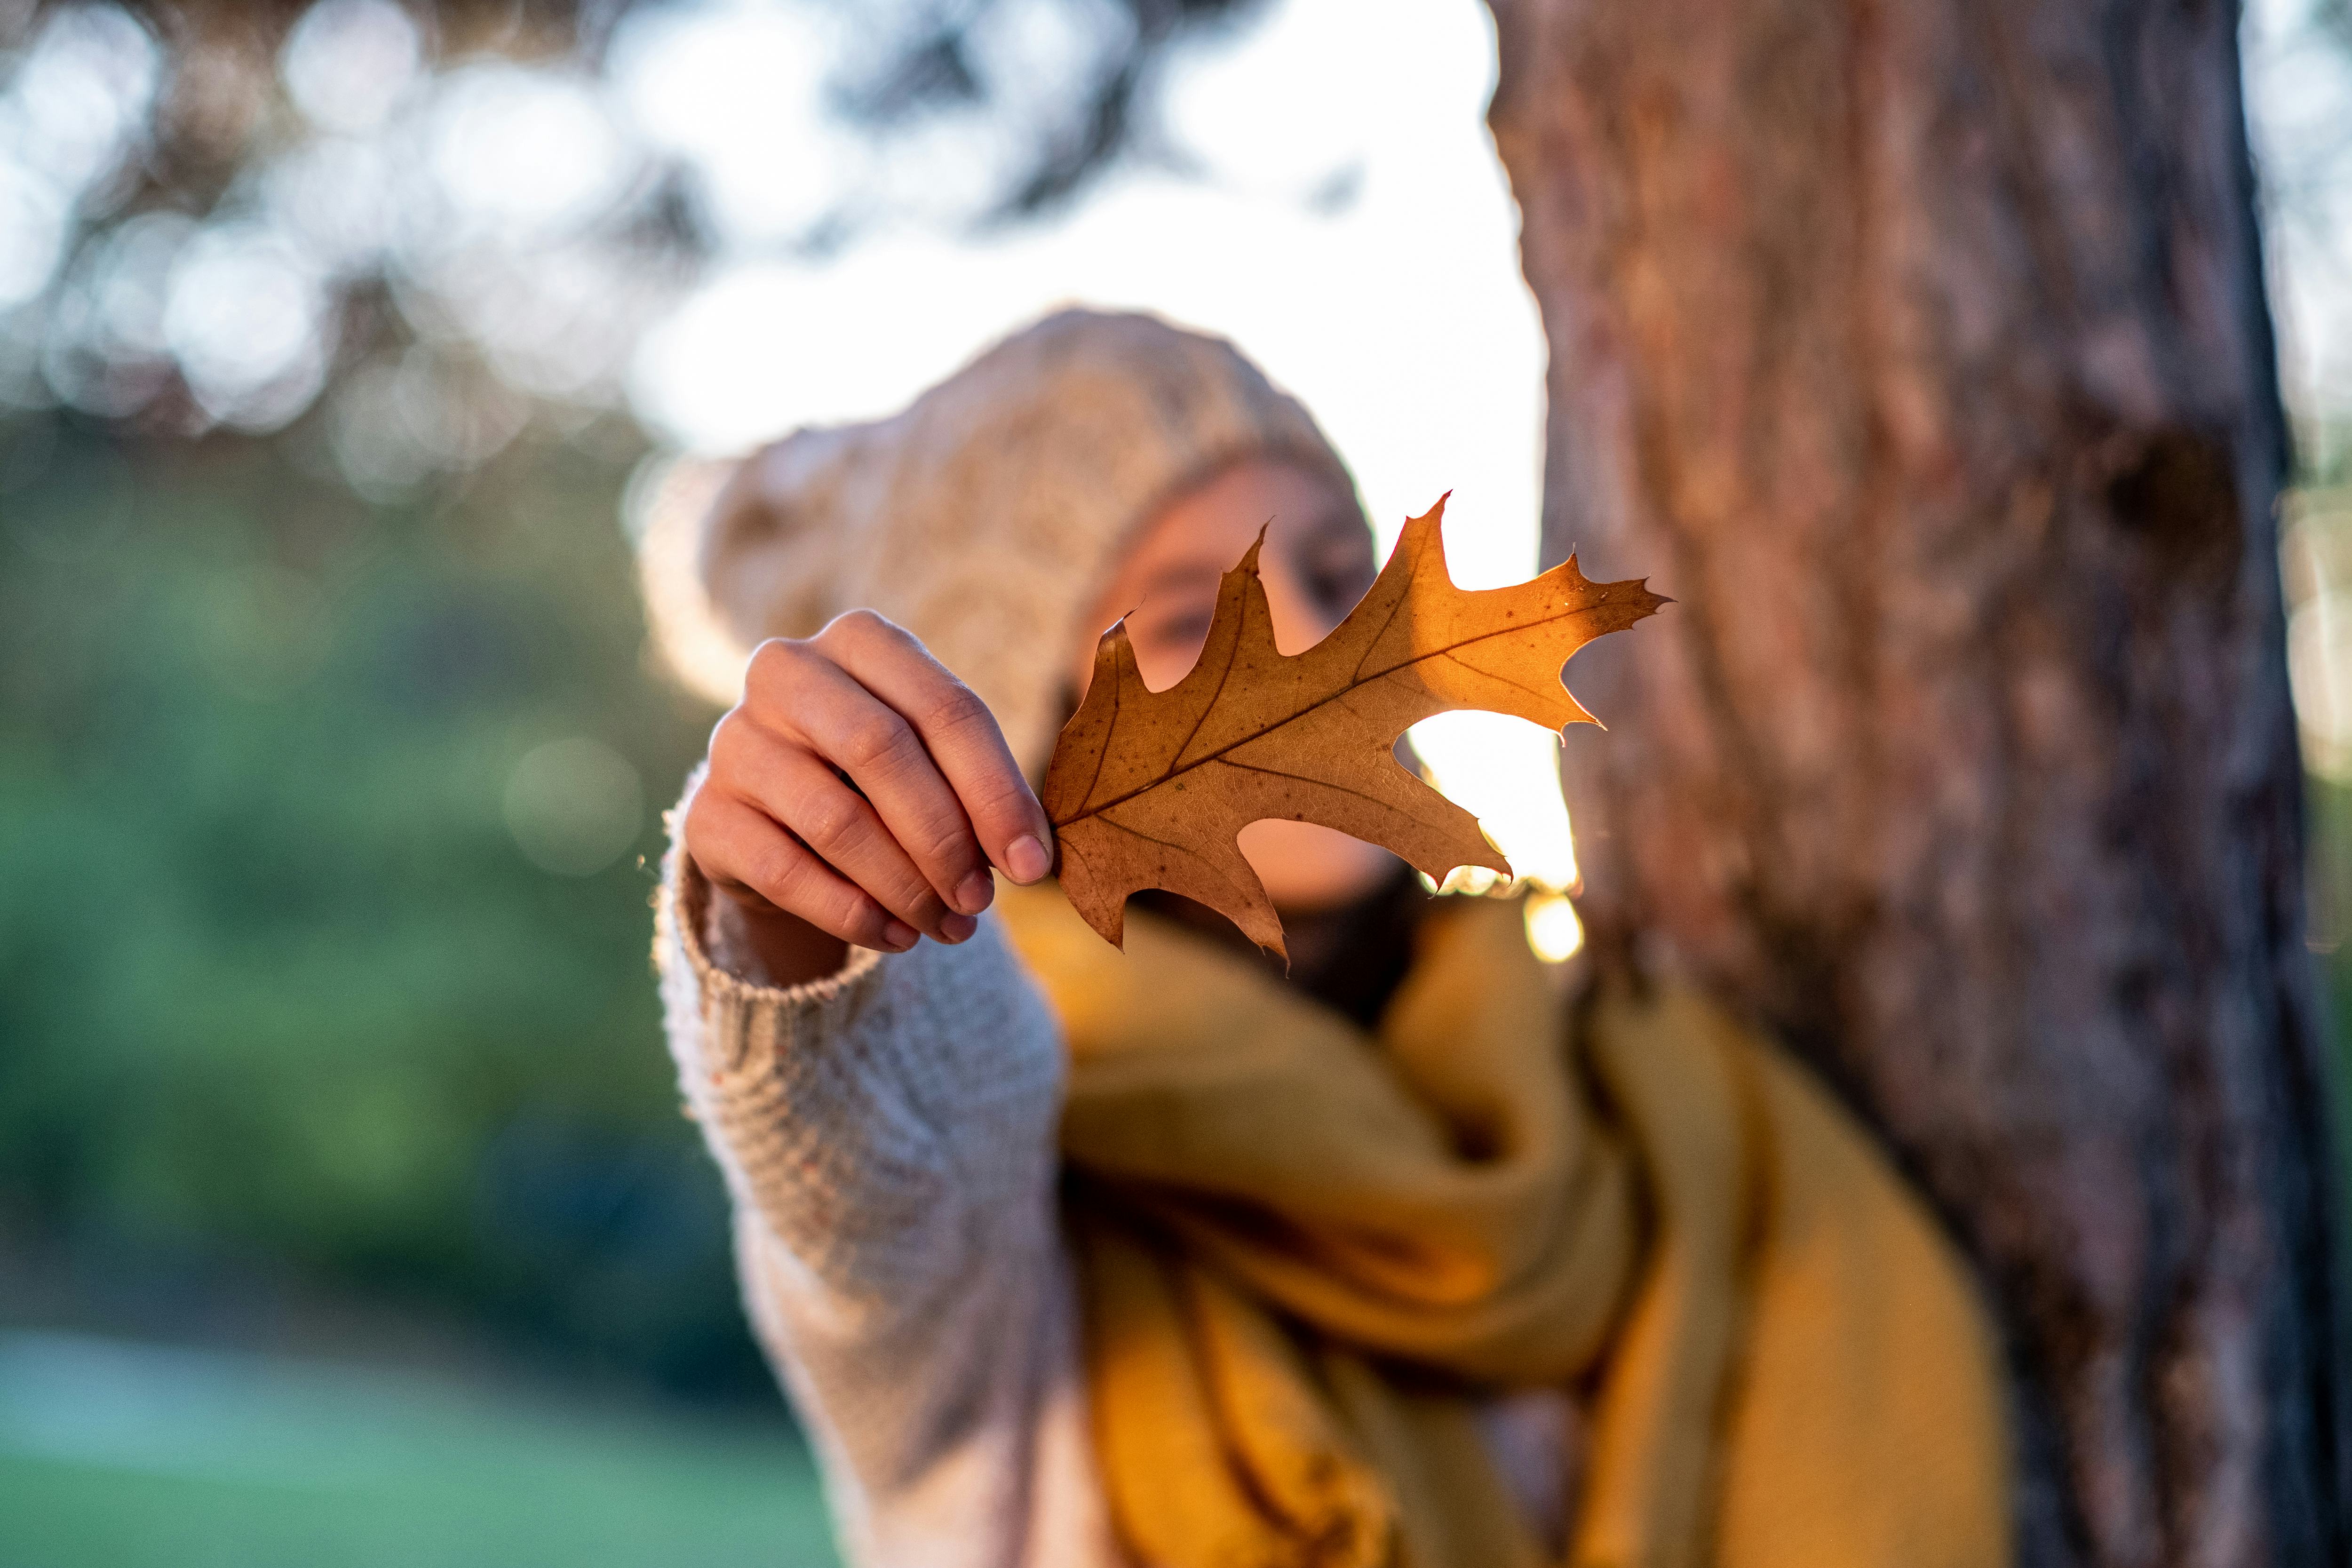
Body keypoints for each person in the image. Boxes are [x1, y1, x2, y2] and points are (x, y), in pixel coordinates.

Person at [643, 310, 2010, 1568]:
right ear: (1023, 735)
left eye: (1340, 577)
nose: (1315, 641)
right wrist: (792, 929)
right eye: (1198, 619)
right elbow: (885, 1159)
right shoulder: (1012, 1213)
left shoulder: (1654, 1108)